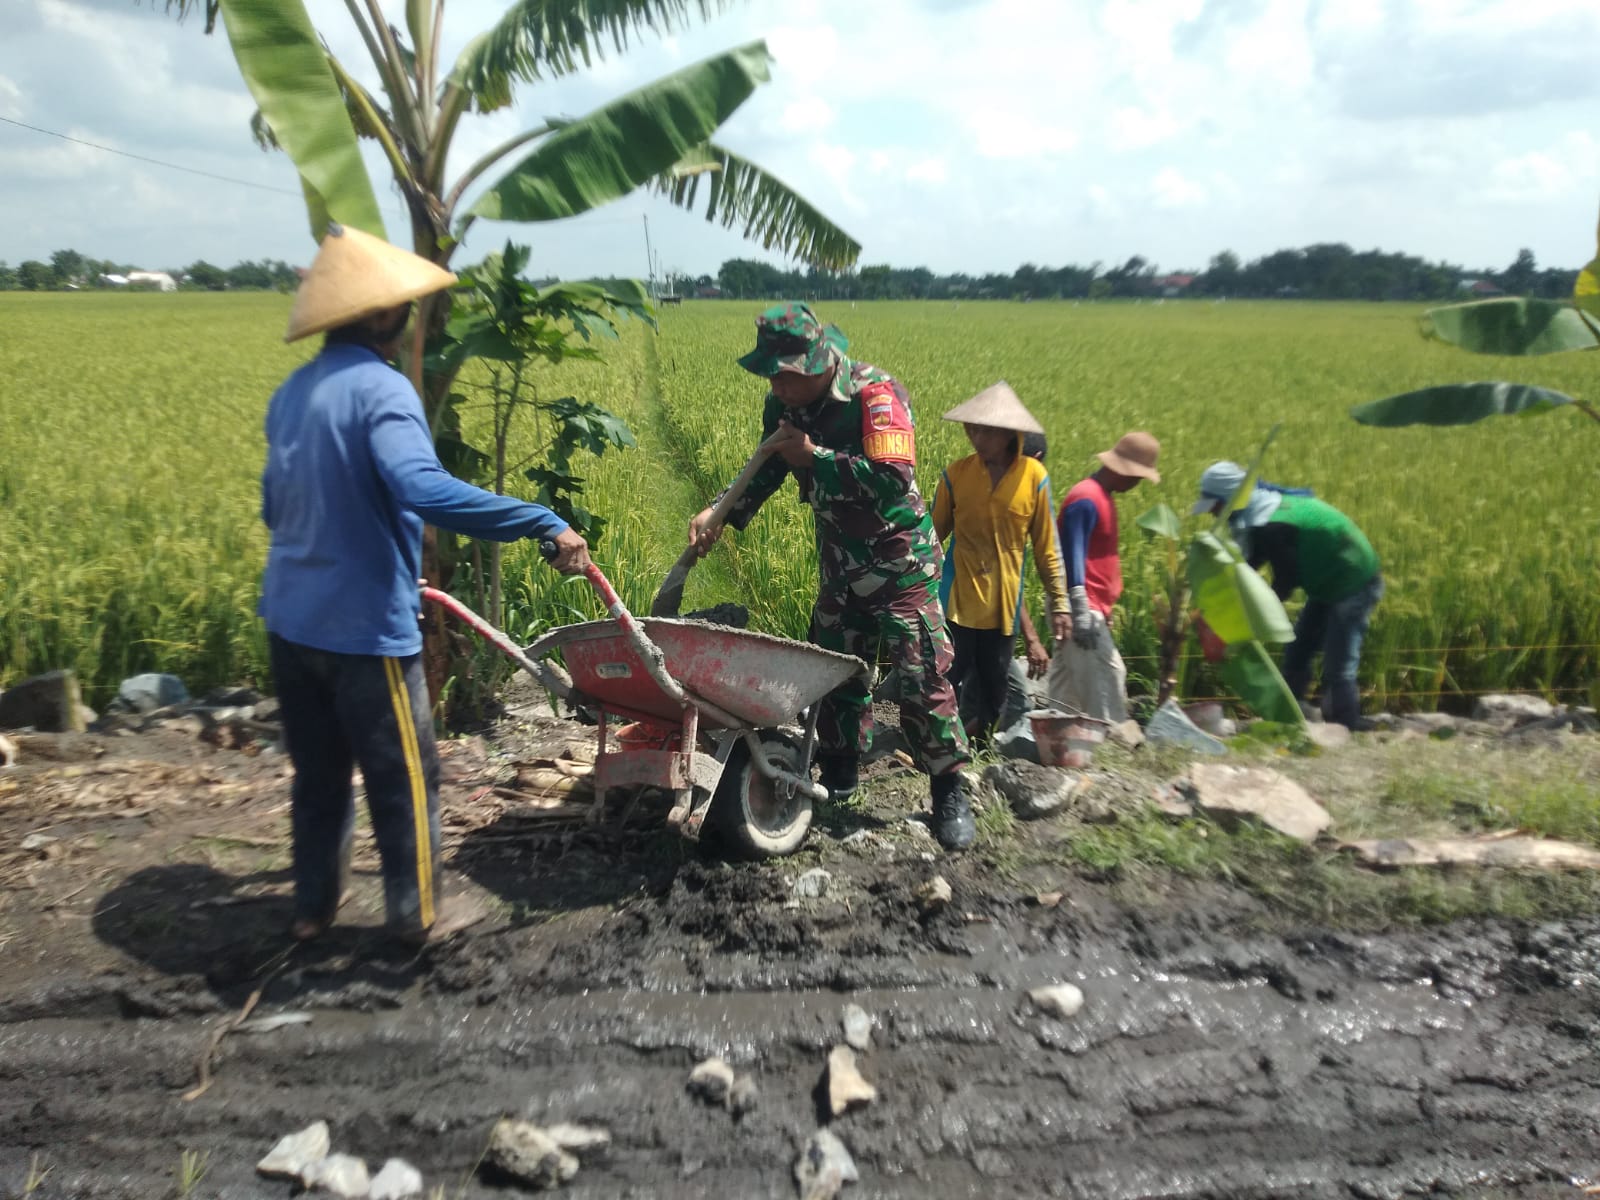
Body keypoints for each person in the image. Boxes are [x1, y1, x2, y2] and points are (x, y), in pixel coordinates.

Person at [261, 223, 590, 945]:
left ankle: (312, 911)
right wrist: (540, 519)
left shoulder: (292, 393)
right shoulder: (383, 390)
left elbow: (272, 505)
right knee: (405, 775)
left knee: (318, 776)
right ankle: (419, 919)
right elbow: (422, 489)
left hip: (289, 620)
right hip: (361, 629)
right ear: (385, 315)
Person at [687, 303, 976, 850]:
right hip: (840, 562)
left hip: (900, 565)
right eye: (771, 373)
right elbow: (771, 462)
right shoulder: (784, 402)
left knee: (921, 678)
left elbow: (893, 478)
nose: (776, 384)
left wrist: (814, 456)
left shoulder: (875, 394)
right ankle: (840, 776)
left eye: (784, 374)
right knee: (838, 675)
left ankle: (949, 790)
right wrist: (720, 512)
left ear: (817, 363)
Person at [1191, 461, 1382, 730]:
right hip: (1325, 581)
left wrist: (1252, 619)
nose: (1212, 513)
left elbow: (1286, 578)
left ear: (1232, 500)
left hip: (1353, 579)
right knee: (1299, 648)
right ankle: (1289, 717)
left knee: (1338, 658)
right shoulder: (1258, 516)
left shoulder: (1272, 525)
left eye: (1215, 505)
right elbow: (1248, 567)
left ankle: (1346, 724)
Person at [931, 383, 1070, 742]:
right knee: (946, 678)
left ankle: (974, 746)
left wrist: (1060, 603)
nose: (977, 437)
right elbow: (930, 537)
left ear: (1010, 434)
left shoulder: (1033, 479)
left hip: (1002, 605)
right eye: (972, 429)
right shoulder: (956, 475)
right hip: (958, 599)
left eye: (986, 430)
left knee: (995, 689)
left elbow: (1046, 547)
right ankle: (939, 747)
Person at [1046, 431, 1163, 723]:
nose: (1137, 484)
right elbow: (1072, 555)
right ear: (1124, 470)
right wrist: (1082, 610)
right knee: (1107, 676)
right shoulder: (1086, 499)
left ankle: (1059, 742)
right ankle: (1109, 743)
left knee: (1067, 684)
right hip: (1081, 607)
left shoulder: (1101, 497)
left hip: (1088, 605)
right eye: (1137, 476)